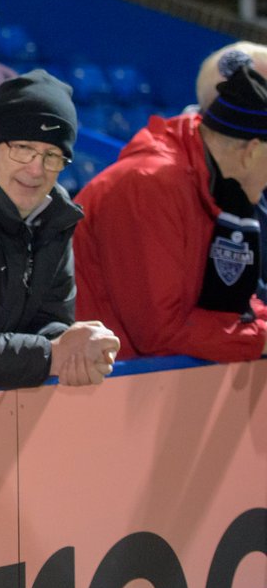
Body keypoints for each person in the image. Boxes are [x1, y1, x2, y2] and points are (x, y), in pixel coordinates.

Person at [0, 69, 120, 389]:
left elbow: (50, 318)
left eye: (52, 155)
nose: (36, 169)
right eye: (23, 147)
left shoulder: (54, 214)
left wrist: (73, 346)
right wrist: (49, 355)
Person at [74, 53, 267, 361]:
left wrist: (260, 328)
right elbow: (158, 332)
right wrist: (258, 339)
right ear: (251, 152)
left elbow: (231, 306)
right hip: (95, 380)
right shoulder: (151, 184)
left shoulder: (216, 181)